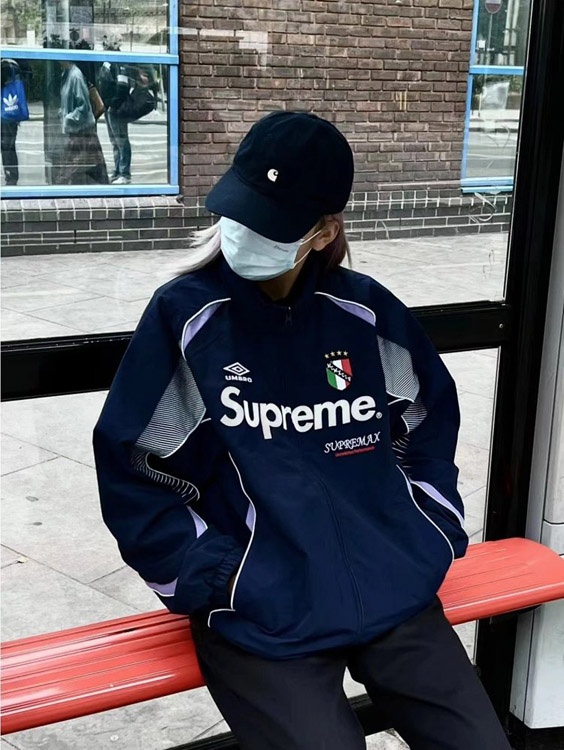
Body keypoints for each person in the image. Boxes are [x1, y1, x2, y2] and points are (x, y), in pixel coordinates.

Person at [93, 111, 513, 750]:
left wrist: (427, 522)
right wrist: (216, 576)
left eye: (272, 222)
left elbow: (427, 417)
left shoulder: (364, 311)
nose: (246, 231)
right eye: (241, 209)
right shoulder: (188, 319)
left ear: (323, 231)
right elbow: (133, 463)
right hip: (264, 616)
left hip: (393, 591)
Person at [58, 61, 108, 185]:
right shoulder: (67, 74)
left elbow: (83, 107)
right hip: (77, 133)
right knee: (80, 171)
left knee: (77, 171)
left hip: (81, 134)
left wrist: (67, 118)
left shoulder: (75, 76)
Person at [1, 58, 30, 186]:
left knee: (7, 146)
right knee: (8, 146)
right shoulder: (13, 63)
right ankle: (11, 176)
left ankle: (11, 177)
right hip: (8, 113)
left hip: (6, 112)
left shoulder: (7, 64)